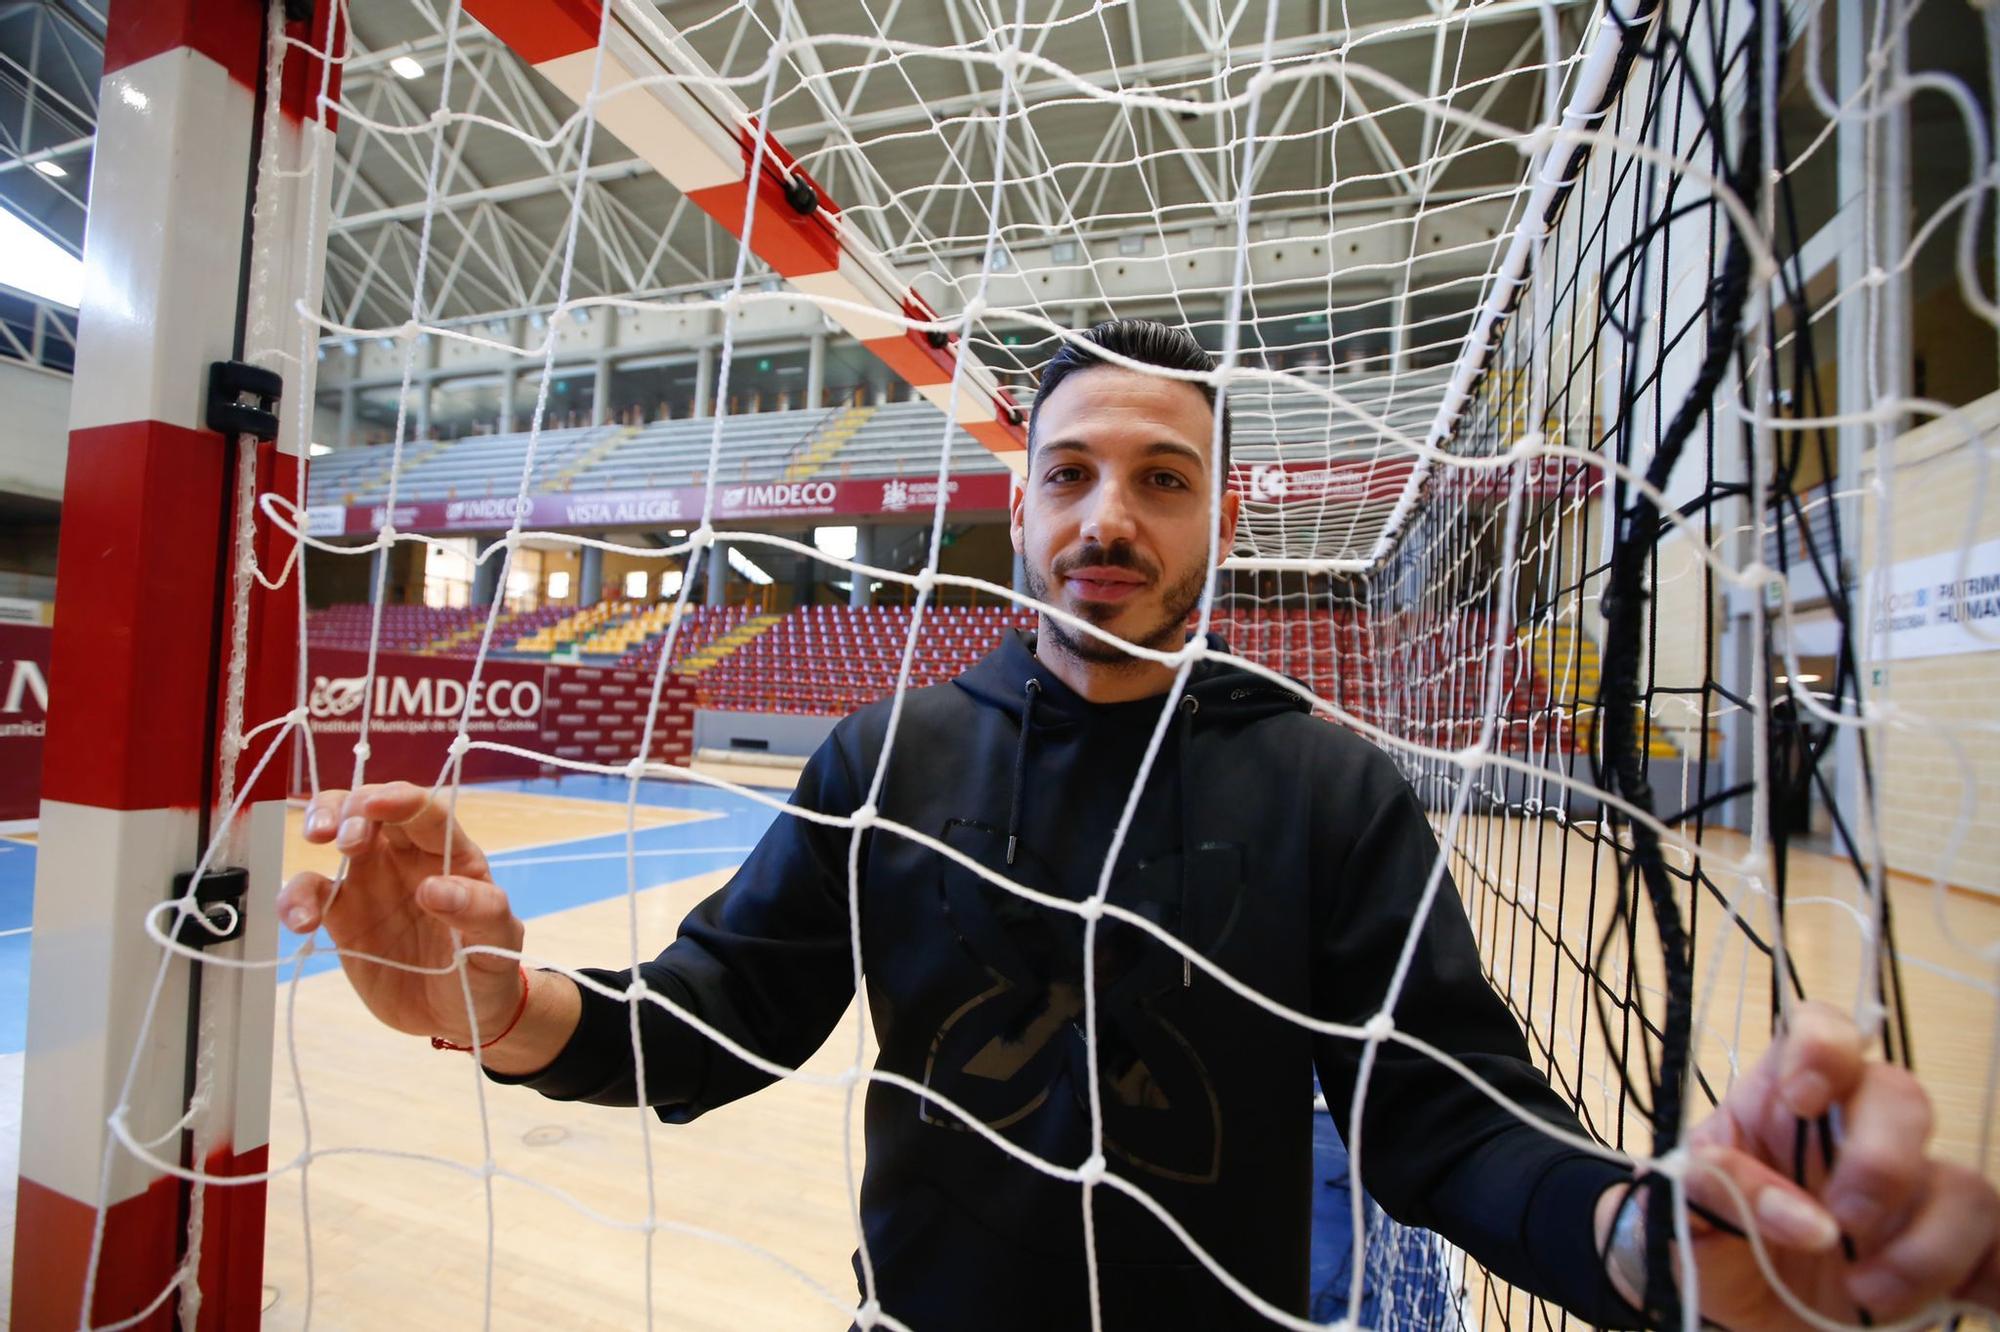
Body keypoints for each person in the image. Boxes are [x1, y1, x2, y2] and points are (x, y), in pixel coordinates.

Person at [279, 320, 2000, 1330]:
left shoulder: (1328, 785)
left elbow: (1449, 1130)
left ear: (1219, 514)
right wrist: (498, 1000)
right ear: (1020, 502)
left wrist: (1650, 1237)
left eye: (1160, 478)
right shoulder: (891, 758)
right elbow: (714, 1024)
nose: (1111, 517)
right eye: (1074, 472)